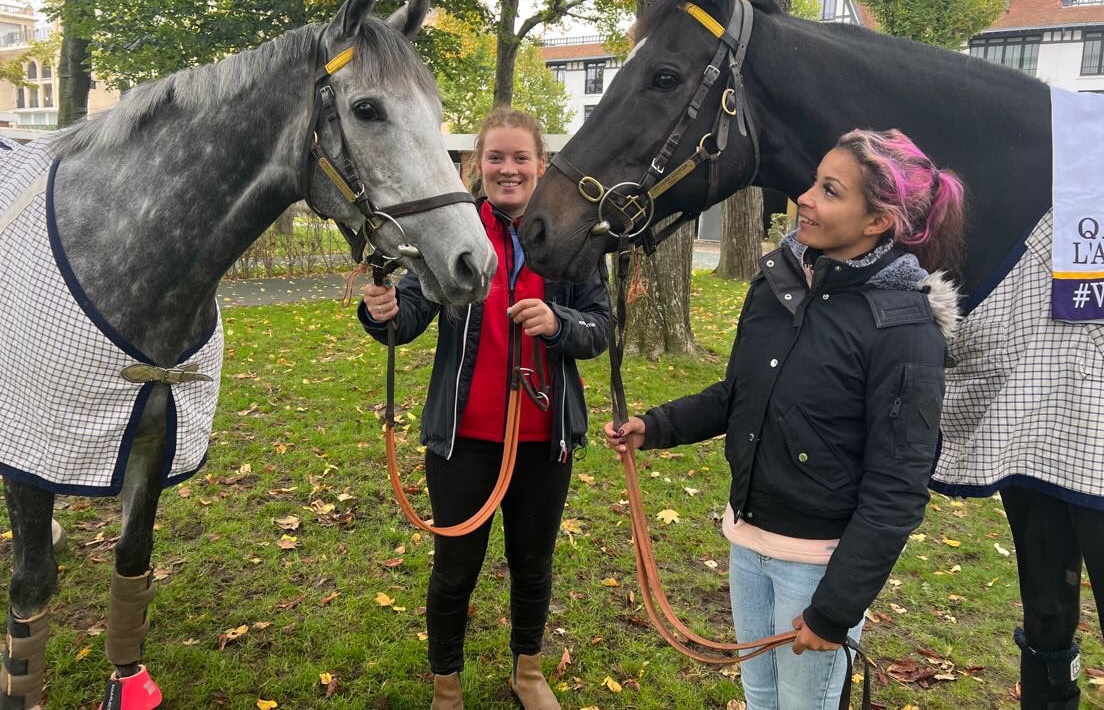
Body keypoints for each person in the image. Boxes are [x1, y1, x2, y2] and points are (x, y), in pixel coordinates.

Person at [604, 129, 965, 709]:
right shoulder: (776, 285)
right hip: (747, 542)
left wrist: (834, 609)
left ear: (877, 221)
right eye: (814, 182)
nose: (806, 198)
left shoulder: (905, 328)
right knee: (759, 695)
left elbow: (898, 487)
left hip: (818, 568)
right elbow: (739, 394)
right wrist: (657, 425)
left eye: (830, 190)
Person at [359, 107, 610, 710]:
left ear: (541, 164)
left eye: (521, 157)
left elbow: (599, 328)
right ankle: (447, 685)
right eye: (495, 157)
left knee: (533, 564)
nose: (508, 169)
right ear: (479, 163)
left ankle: (529, 673)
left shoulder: (571, 235)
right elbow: (409, 315)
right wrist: (382, 311)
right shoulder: (454, 229)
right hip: (463, 439)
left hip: (543, 438)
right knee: (455, 568)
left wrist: (559, 322)